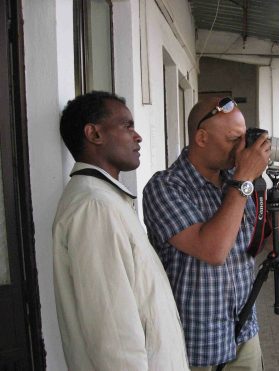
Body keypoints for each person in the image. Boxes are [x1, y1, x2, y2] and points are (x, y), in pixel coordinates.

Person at [143, 96, 279, 370]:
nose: (242, 149)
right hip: (195, 344)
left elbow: (265, 246)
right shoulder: (165, 187)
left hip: (244, 332)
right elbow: (213, 251)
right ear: (201, 137)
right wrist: (244, 179)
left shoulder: (235, 181)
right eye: (234, 139)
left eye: (245, 139)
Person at [52, 91, 189, 371]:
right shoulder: (95, 207)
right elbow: (113, 336)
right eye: (127, 126)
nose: (137, 136)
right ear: (94, 134)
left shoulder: (106, 199)